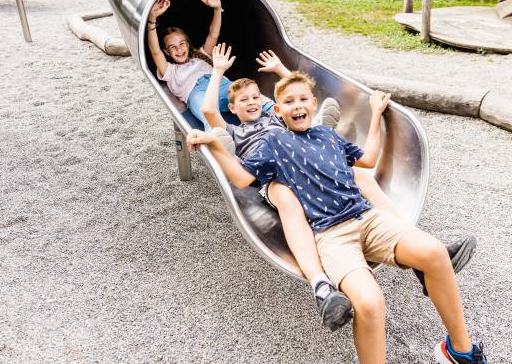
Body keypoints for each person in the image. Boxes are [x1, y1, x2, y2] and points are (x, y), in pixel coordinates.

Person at [198, 59, 481, 357]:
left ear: (314, 103)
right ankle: (328, 287)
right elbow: (243, 178)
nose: (298, 106)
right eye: (289, 102)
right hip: (332, 234)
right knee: (371, 303)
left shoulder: (328, 135)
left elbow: (369, 159)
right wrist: (214, 146)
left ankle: (460, 352)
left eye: (304, 100)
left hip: (367, 218)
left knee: (436, 252)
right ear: (277, 112)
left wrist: (374, 115)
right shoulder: (274, 141)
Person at [147, 0, 271, 129]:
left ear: (188, 44)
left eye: (182, 44)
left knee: (251, 96)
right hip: (196, 93)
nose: (179, 49)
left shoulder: (202, 56)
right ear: (167, 52)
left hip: (220, 83)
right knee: (210, 117)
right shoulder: (170, 71)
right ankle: (222, 145)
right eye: (173, 47)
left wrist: (217, 8)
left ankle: (281, 114)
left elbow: (213, 34)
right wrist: (152, 19)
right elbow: (155, 51)